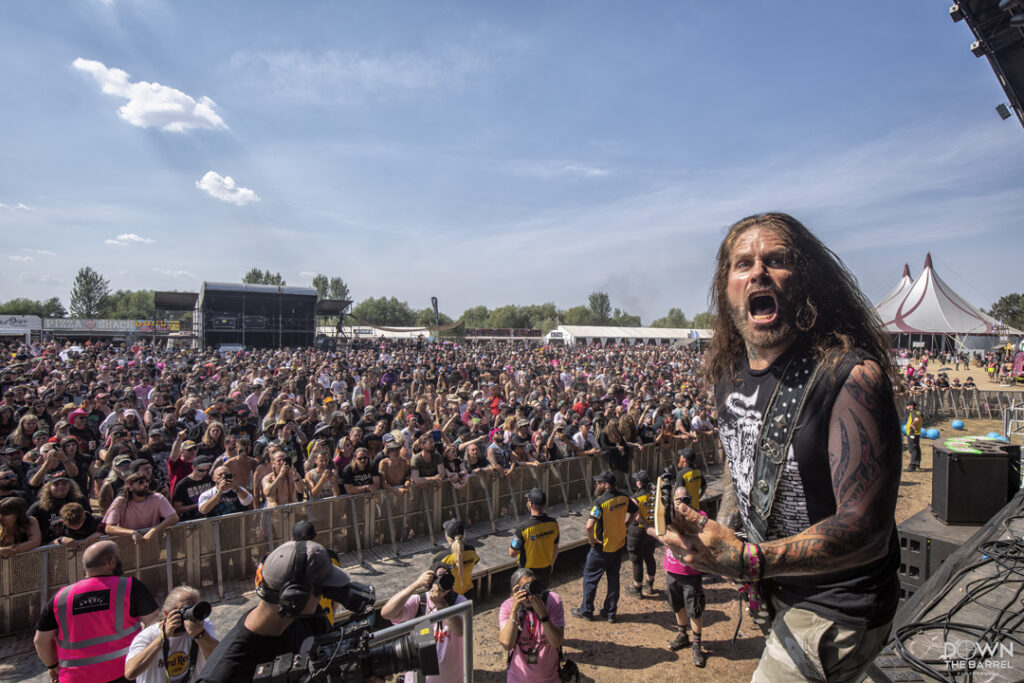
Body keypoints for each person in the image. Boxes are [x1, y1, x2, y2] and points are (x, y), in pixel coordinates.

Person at [660, 212, 901, 682]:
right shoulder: (728, 372)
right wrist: (719, 532)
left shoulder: (849, 377)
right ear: (725, 287)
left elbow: (865, 528)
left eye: (777, 259)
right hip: (776, 590)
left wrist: (751, 560)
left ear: (806, 280)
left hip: (838, 603)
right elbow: (741, 463)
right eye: (742, 263)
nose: (758, 272)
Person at [196, 539, 348, 682]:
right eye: (320, 589)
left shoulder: (307, 616)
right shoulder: (222, 675)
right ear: (296, 598)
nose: (322, 596)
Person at [34, 540, 160, 683]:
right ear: (112, 562)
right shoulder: (130, 587)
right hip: (125, 673)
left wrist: (53, 666)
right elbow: (155, 625)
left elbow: (40, 640)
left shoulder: (61, 597)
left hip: (74, 678)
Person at [380, 563, 468, 682]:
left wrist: (441, 604)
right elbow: (387, 613)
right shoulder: (420, 602)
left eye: (446, 577)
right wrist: (416, 584)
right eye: (438, 578)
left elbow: (459, 630)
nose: (441, 582)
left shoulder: (458, 601)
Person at [571, 470, 637, 623]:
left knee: (590, 578)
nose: (596, 484)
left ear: (606, 485)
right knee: (614, 579)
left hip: (601, 549)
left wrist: (591, 539)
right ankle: (610, 612)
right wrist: (626, 525)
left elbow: (589, 526)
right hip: (618, 545)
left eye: (599, 482)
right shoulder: (624, 497)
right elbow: (635, 511)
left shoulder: (600, 503)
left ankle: (586, 611)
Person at [124, 585, 219, 683]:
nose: (190, 615)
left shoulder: (202, 626)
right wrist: (163, 637)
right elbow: (130, 673)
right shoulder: (148, 636)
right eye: (184, 610)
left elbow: (219, 660)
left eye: (193, 608)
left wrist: (201, 635)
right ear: (166, 614)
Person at [661, 487, 707, 668]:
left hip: (691, 573)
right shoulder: (669, 515)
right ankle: (682, 635)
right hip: (672, 570)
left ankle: (697, 645)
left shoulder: (699, 515)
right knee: (677, 604)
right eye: (678, 499)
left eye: (685, 498)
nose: (681, 502)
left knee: (695, 609)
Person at [498, 567, 566, 683]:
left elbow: (556, 642)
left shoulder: (552, 601)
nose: (529, 594)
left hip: (550, 678)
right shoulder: (507, 607)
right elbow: (507, 645)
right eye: (524, 588)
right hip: (518, 678)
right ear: (515, 590)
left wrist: (543, 615)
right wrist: (514, 610)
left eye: (532, 586)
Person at [102, 469, 180, 543]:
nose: (145, 484)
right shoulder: (120, 502)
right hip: (127, 546)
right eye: (140, 482)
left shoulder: (158, 498)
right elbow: (109, 528)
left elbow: (174, 517)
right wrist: (132, 533)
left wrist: (153, 530)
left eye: (147, 481)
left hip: (150, 544)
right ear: (129, 486)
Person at [509, 488, 560, 590]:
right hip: (545, 570)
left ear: (531, 504)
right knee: (541, 599)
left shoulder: (523, 528)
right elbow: (555, 547)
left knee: (526, 600)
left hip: (527, 573)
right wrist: (551, 564)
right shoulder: (553, 524)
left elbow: (512, 553)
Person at [431, 518, 479, 601]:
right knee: (467, 614)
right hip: (468, 593)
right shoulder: (471, 551)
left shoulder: (441, 557)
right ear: (464, 535)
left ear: (446, 536)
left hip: (449, 595)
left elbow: (432, 577)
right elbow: (475, 561)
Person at [626, 470, 657, 596]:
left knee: (637, 560)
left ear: (639, 483)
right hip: (651, 531)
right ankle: (650, 585)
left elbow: (637, 517)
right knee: (649, 556)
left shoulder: (635, 498)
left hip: (637, 531)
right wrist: (651, 527)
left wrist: (626, 524)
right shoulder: (654, 495)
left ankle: (637, 589)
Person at [172, 455, 215, 521]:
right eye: (201, 470)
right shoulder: (182, 485)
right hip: (191, 520)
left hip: (211, 517)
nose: (204, 473)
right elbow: (177, 509)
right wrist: (199, 505)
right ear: (193, 468)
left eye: (207, 470)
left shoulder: (209, 479)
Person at [673, 447, 706, 511]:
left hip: (685, 510)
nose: (679, 458)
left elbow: (677, 495)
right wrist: (698, 497)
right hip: (696, 508)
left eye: (680, 456)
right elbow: (704, 486)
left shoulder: (681, 474)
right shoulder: (698, 472)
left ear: (684, 459)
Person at [904, 400, 923, 472]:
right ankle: (917, 464)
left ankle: (912, 466)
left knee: (912, 449)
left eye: (907, 405)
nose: (906, 406)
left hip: (912, 433)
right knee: (917, 448)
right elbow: (921, 417)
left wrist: (913, 424)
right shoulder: (918, 412)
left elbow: (916, 419)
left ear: (911, 406)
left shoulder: (913, 412)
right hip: (917, 433)